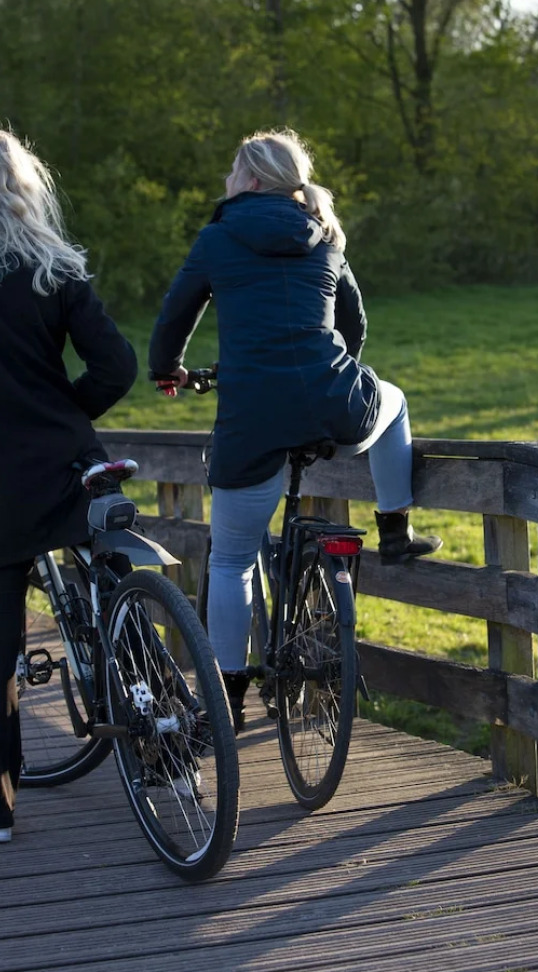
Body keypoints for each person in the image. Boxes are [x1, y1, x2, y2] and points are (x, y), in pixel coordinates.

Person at [148, 127, 441, 733]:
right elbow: (354, 323)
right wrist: (336, 372)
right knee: (396, 400)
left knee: (230, 562)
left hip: (254, 416)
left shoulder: (219, 236)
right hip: (334, 401)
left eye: (234, 171)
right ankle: (395, 526)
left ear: (252, 178)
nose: (228, 182)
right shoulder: (326, 233)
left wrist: (166, 369)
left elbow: (175, 315)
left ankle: (227, 699)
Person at [0, 125, 138, 842]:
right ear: (25, 187)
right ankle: (164, 741)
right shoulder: (54, 265)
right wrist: (67, 414)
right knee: (119, 587)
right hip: (68, 462)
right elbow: (117, 367)